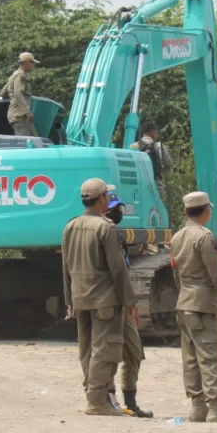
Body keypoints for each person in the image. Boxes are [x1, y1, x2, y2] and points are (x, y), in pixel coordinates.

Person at [61, 178, 138, 416]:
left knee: (87, 350)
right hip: (105, 299)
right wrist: (129, 301)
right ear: (103, 199)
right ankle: (97, 401)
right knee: (105, 350)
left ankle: (95, 395)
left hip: (80, 298)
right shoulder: (106, 228)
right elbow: (118, 269)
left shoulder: (70, 226)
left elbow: (66, 267)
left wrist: (69, 301)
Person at [171, 191, 217, 423]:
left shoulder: (177, 237)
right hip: (202, 306)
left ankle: (197, 407)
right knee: (209, 356)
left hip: (184, 304)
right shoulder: (204, 237)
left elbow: (176, 274)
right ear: (206, 211)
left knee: (191, 357)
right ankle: (216, 408)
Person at [100, 193, 152, 418]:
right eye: (113, 208)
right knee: (109, 354)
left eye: (119, 208)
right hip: (109, 303)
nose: (117, 212)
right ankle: (108, 399)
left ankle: (130, 403)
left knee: (134, 352)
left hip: (124, 303)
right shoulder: (100, 233)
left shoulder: (117, 236)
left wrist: (131, 302)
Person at [131, 123, 173, 203]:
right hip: (155, 185)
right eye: (156, 131)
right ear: (151, 132)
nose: (157, 134)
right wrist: (160, 169)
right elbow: (169, 163)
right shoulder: (158, 146)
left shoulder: (133, 146)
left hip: (138, 186)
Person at [1, 51, 39, 137]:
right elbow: (18, 93)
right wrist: (27, 112)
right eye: (32, 62)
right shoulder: (20, 75)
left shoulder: (13, 75)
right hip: (20, 116)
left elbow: (3, 93)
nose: (33, 65)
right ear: (26, 63)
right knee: (25, 144)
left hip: (17, 115)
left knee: (35, 142)